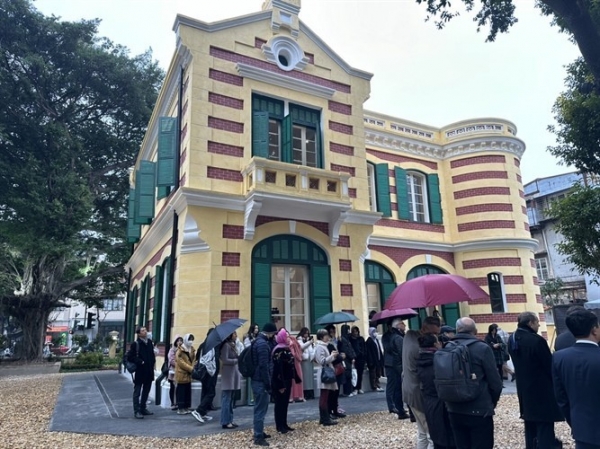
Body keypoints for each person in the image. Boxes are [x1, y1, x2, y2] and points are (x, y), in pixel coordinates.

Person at [508, 311, 564, 449]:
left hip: (524, 388)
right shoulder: (536, 340)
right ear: (530, 323)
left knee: (530, 423)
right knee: (544, 424)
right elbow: (548, 365)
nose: (539, 324)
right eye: (537, 322)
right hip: (541, 389)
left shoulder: (513, 338)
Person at [445, 317, 503, 449]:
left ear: (457, 330)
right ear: (475, 331)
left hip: (454, 407)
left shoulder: (447, 347)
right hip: (479, 407)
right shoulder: (482, 348)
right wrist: (491, 402)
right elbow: (496, 383)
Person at [553, 307, 600, 449]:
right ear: (594, 329)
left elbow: (561, 398)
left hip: (581, 428)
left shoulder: (559, 358)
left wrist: (574, 421)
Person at [403, 316, 440, 449]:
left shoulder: (408, 336)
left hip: (408, 390)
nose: (435, 336)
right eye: (433, 333)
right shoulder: (420, 349)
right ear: (424, 329)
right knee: (431, 434)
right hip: (419, 393)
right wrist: (438, 349)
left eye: (437, 333)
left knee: (422, 433)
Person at [416, 333, 456, 449]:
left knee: (437, 436)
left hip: (429, 402)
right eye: (438, 342)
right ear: (435, 344)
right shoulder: (439, 360)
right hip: (442, 402)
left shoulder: (420, 360)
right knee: (449, 437)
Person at [252, 322, 278, 447]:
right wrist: (268, 384)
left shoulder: (258, 341)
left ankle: (259, 432)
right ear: (270, 333)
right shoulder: (262, 344)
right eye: (273, 333)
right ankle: (258, 436)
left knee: (260, 408)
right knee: (260, 409)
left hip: (257, 380)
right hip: (260, 381)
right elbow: (264, 366)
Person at [271, 328, 299, 433]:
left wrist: (295, 377)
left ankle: (284, 423)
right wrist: (280, 385)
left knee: (285, 403)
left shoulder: (286, 349)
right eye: (286, 336)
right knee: (279, 403)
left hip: (287, 380)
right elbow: (278, 370)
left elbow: (291, 364)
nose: (288, 338)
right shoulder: (278, 350)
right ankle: (279, 425)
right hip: (280, 381)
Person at [126, 326, 156, 419]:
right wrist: (140, 361)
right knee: (137, 391)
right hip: (140, 371)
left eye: (145, 330)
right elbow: (130, 357)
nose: (145, 332)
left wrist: (153, 363)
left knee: (146, 391)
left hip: (149, 371)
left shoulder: (150, 342)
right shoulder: (136, 344)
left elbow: (152, 354)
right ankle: (137, 410)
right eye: (143, 330)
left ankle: (143, 407)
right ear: (139, 334)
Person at [382, 318, 408, 419]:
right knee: (393, 385)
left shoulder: (398, 336)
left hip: (394, 363)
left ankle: (398, 407)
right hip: (392, 364)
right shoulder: (390, 336)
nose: (404, 325)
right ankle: (393, 406)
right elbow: (397, 351)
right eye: (402, 323)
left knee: (396, 386)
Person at [313, 328, 339, 426]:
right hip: (324, 372)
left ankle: (324, 417)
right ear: (321, 337)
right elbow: (322, 361)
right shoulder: (320, 347)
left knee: (325, 395)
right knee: (324, 396)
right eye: (326, 335)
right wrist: (332, 356)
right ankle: (325, 418)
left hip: (325, 371)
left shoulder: (323, 346)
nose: (328, 337)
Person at [192, 329, 218, 424]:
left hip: (206, 372)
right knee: (211, 393)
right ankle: (199, 411)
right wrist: (212, 371)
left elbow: (198, 357)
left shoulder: (204, 344)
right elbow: (206, 361)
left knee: (205, 392)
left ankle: (202, 412)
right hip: (208, 373)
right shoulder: (209, 346)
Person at [325, 324, 347, 418]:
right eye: (330, 332)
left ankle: (335, 410)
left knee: (336, 391)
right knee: (332, 392)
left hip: (338, 368)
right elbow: (332, 357)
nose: (332, 333)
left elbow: (340, 350)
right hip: (332, 368)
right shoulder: (327, 344)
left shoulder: (336, 341)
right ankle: (330, 411)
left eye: (333, 331)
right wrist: (341, 357)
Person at [220, 332, 240, 429]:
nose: (236, 335)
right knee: (226, 399)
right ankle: (225, 421)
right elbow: (225, 360)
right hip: (228, 375)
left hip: (233, 374)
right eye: (234, 334)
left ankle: (230, 419)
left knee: (230, 399)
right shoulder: (226, 346)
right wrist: (236, 360)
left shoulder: (232, 345)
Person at [175, 333, 195, 416]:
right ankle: (180, 408)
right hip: (182, 373)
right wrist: (190, 368)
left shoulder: (192, 349)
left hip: (189, 374)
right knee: (181, 392)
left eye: (191, 340)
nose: (190, 341)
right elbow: (180, 362)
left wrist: (193, 366)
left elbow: (194, 359)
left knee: (187, 391)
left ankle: (186, 407)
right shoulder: (180, 350)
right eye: (189, 339)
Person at [297, 327, 315, 400]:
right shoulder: (299, 340)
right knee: (305, 378)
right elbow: (302, 347)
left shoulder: (308, 340)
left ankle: (311, 392)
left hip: (310, 359)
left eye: (308, 333)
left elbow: (311, 349)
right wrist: (309, 342)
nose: (306, 335)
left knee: (310, 378)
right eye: (305, 333)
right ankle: (306, 393)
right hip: (304, 360)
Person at [339, 324, 356, 396]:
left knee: (349, 375)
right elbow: (346, 350)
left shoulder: (346, 339)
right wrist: (352, 356)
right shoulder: (343, 339)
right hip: (346, 360)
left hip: (348, 359)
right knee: (347, 375)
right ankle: (347, 391)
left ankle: (349, 390)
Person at [365, 327, 384, 392]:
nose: (375, 333)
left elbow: (379, 350)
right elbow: (368, 353)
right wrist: (370, 361)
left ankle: (378, 384)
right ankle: (374, 386)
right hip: (372, 361)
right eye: (373, 331)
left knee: (378, 374)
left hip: (378, 359)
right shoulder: (369, 341)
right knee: (373, 374)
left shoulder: (377, 340)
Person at [288, 330, 305, 403]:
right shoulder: (293, 341)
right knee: (296, 379)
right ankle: (298, 396)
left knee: (294, 379)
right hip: (295, 362)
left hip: (294, 361)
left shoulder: (291, 341)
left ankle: (294, 397)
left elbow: (294, 352)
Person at [167, 335, 183, 410]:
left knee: (179, 388)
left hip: (180, 371)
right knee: (172, 387)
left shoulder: (183, 350)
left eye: (181, 340)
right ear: (175, 342)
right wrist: (179, 365)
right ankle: (172, 403)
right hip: (173, 371)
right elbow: (171, 360)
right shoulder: (172, 350)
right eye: (178, 340)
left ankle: (178, 402)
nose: (179, 342)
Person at [350, 326, 366, 394]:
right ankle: (355, 388)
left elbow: (364, 348)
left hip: (361, 358)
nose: (355, 333)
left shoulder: (361, 339)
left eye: (356, 331)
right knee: (354, 374)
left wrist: (364, 355)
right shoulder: (350, 339)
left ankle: (359, 387)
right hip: (354, 358)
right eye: (354, 332)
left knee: (360, 374)